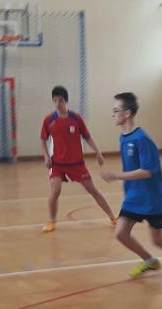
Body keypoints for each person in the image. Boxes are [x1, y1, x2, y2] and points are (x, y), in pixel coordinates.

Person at [101, 92, 162, 279]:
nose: (113, 114)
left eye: (116, 110)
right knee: (120, 233)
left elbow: (147, 171)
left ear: (127, 113)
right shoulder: (123, 138)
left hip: (153, 199)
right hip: (134, 197)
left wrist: (116, 176)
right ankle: (149, 261)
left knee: (158, 240)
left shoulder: (142, 139)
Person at [40, 85, 116, 232]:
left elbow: (87, 137)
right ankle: (51, 221)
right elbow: (43, 139)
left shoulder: (76, 118)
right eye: (55, 100)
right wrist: (46, 156)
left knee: (93, 190)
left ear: (66, 101)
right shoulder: (49, 120)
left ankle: (113, 217)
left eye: (60, 100)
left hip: (76, 164)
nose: (57, 103)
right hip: (57, 164)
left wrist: (98, 152)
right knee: (55, 192)